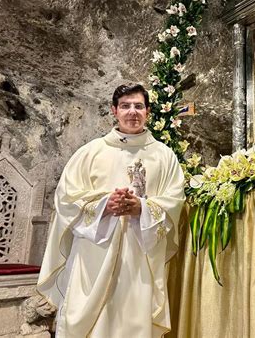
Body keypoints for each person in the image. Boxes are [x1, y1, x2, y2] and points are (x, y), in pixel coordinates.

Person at [37, 83, 185, 337]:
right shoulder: (90, 152)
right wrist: (105, 205)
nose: (132, 112)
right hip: (94, 253)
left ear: (148, 112)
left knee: (132, 318)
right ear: (114, 111)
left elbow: (175, 199)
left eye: (138, 106)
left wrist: (142, 207)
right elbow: (66, 199)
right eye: (125, 106)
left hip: (139, 254)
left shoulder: (164, 156)